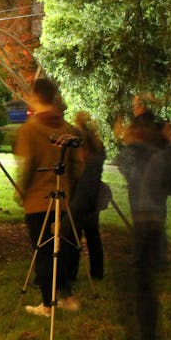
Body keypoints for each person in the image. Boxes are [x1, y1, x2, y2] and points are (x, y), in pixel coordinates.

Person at [110, 104, 171, 340]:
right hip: (156, 222)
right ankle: (153, 339)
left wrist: (125, 139)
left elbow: (121, 164)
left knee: (141, 285)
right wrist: (168, 145)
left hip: (143, 222)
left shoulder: (135, 154)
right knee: (148, 284)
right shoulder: (159, 153)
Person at [13, 78, 84, 317]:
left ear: (34, 96)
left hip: (38, 201)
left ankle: (47, 304)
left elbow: (27, 165)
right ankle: (67, 296)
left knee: (43, 251)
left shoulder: (30, 129)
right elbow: (77, 165)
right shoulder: (65, 128)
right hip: (61, 199)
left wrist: (21, 191)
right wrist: (69, 189)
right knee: (60, 249)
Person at [69, 112, 106, 280]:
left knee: (74, 234)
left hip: (80, 192)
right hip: (95, 194)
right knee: (93, 235)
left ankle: (72, 271)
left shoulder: (79, 143)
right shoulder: (99, 145)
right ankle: (97, 271)